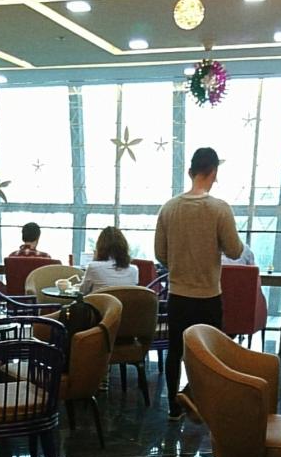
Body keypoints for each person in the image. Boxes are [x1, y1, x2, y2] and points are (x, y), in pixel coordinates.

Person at [154, 146, 244, 419]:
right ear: (214, 173)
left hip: (178, 295)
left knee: (175, 350)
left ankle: (173, 407)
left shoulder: (169, 208)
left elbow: (160, 254)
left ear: (189, 172)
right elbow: (235, 251)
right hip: (208, 296)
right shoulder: (219, 209)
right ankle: (202, 401)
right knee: (209, 353)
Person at [80, 226, 139, 295]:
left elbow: (82, 291)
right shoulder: (134, 270)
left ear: (100, 247)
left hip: (100, 302)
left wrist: (95, 260)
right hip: (125, 302)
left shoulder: (94, 267)